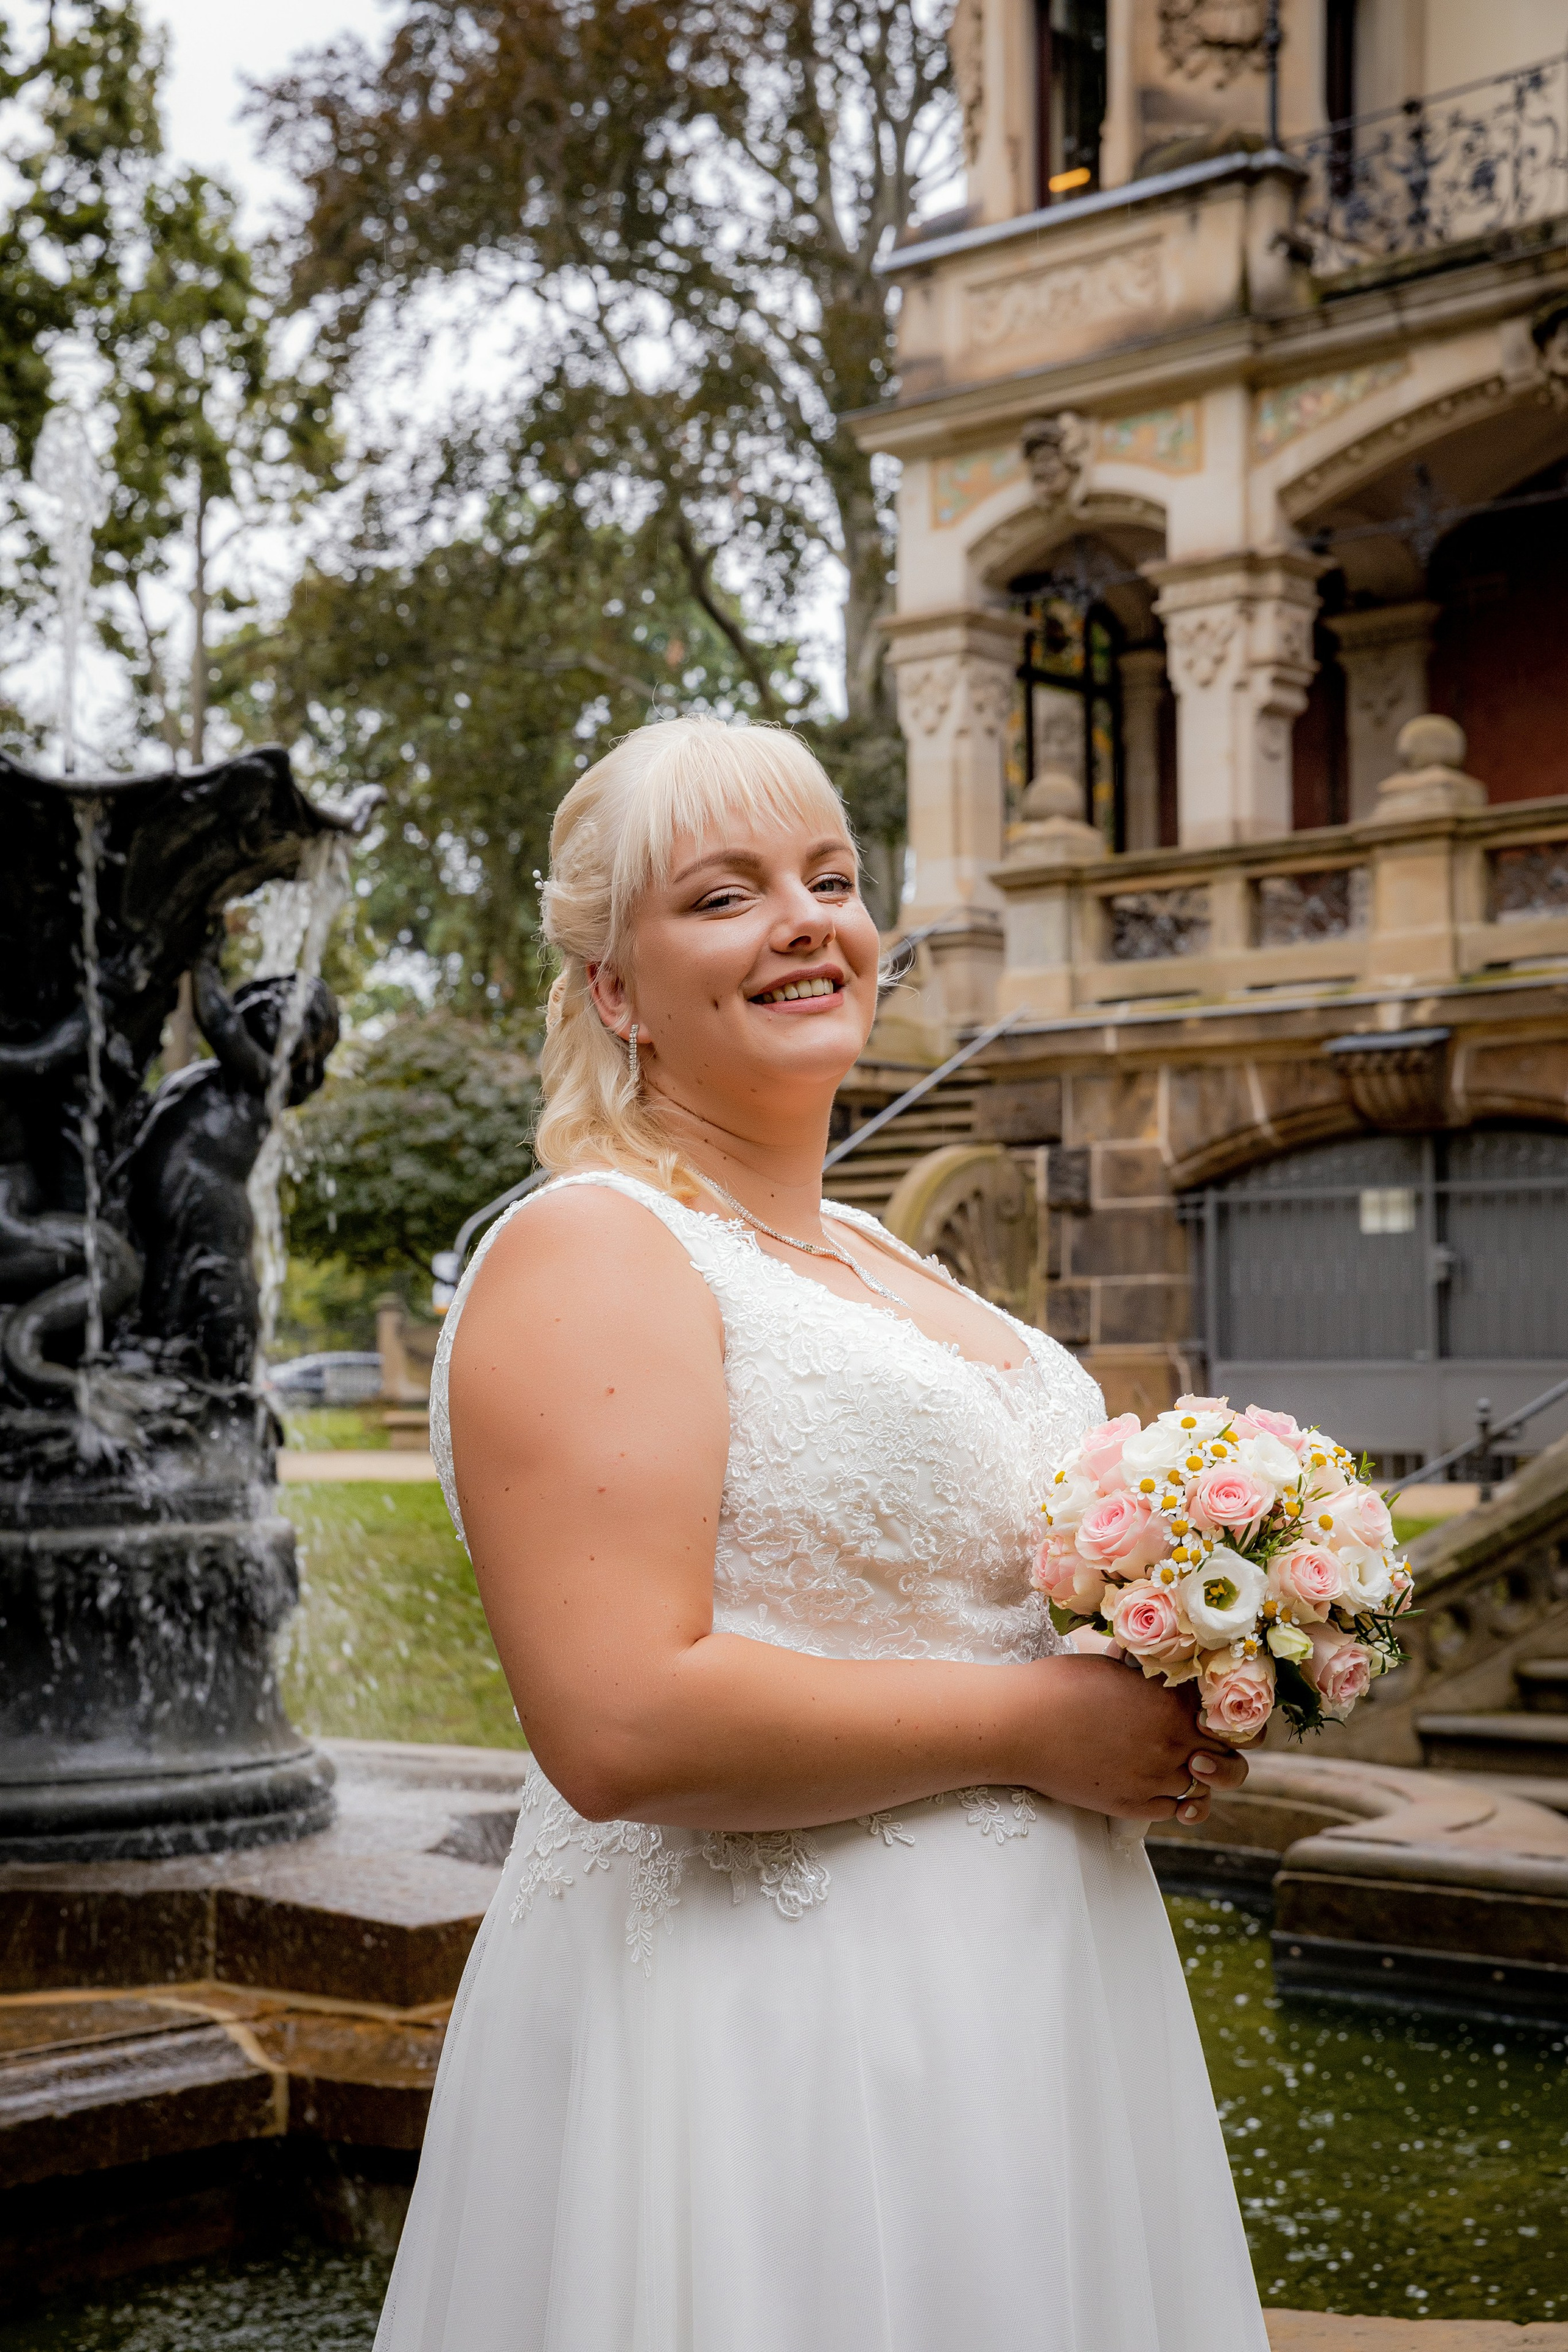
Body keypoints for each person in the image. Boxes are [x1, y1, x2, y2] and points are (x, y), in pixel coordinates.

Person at [376, 718, 1267, 2352]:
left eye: (833, 880)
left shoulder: (881, 1255)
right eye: (725, 896)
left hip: (1039, 2015)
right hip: (780, 2035)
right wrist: (1045, 1728)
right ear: (615, 990)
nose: (806, 923)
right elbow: (621, 1723)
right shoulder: (594, 1248)